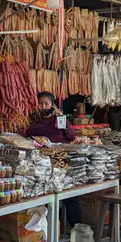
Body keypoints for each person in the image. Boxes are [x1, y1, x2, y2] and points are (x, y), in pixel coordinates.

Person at [26, 92, 81, 227]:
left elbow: (72, 136)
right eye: (40, 103)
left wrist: (62, 118)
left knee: (70, 197)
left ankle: (76, 228)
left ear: (52, 104)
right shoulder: (32, 119)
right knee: (43, 199)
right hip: (40, 165)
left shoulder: (58, 119)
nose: (43, 106)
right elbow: (24, 135)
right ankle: (46, 231)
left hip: (60, 163)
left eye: (46, 103)